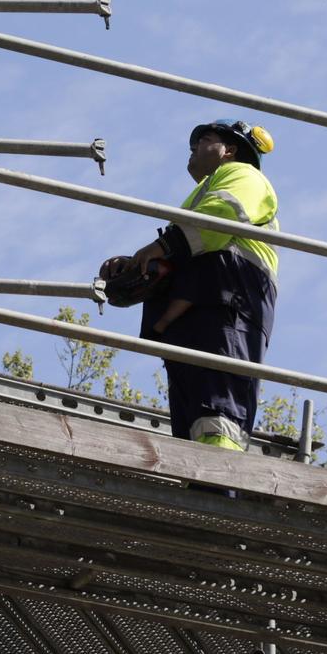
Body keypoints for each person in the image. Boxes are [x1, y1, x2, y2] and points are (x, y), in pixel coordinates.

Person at [98, 118, 280, 450]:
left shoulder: (244, 175)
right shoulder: (200, 194)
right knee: (193, 415)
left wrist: (162, 249)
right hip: (198, 309)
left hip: (228, 302)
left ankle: (218, 485)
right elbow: (186, 247)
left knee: (219, 408)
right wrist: (142, 266)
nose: (194, 147)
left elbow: (224, 213)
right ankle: (199, 481)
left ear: (230, 150)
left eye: (204, 140)